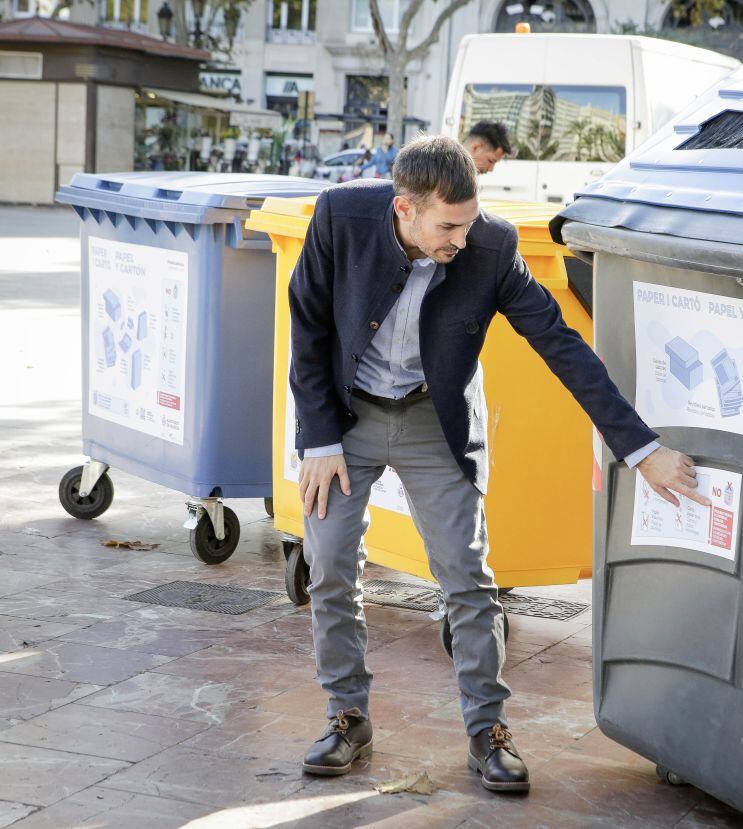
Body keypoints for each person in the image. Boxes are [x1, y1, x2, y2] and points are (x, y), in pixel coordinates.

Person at [289, 135, 708, 793]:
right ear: (404, 208)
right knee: (332, 563)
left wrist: (642, 448)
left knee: (466, 576)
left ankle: (488, 731)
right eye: (447, 225)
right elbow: (308, 328)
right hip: (347, 416)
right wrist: (318, 440)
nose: (462, 235)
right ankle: (347, 717)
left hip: (436, 418)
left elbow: (561, 345)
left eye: (469, 219)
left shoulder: (490, 246)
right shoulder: (340, 218)